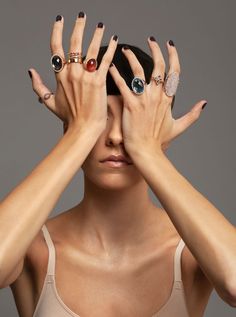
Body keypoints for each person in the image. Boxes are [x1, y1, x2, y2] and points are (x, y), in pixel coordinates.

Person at [0, 11, 235, 317]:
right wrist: (80, 130)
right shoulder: (34, 250)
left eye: (130, 121)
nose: (114, 136)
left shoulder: (192, 250)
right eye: (100, 117)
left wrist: (149, 151)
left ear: (163, 133)